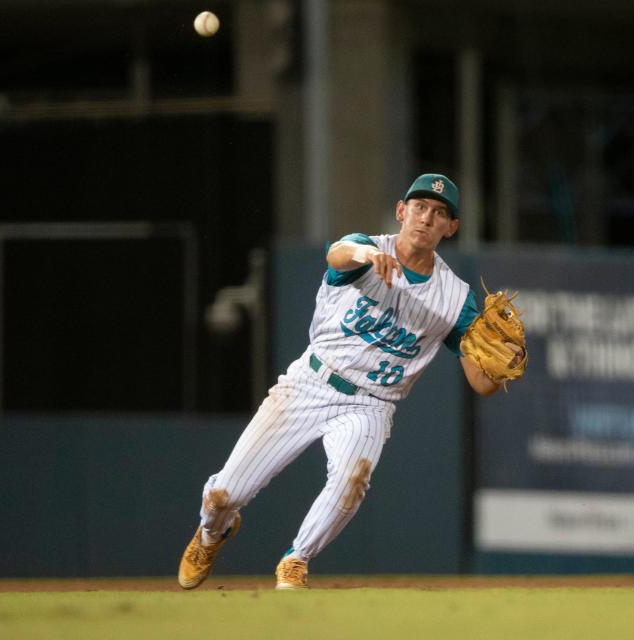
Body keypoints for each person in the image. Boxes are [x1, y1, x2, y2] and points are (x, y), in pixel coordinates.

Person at [177, 173, 523, 590]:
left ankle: (296, 559)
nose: (427, 218)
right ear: (401, 211)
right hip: (311, 382)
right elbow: (336, 254)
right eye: (419, 208)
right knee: (223, 497)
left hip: (371, 404)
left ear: (451, 228)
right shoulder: (365, 247)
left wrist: (508, 362)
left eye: (440, 213)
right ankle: (212, 533)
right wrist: (363, 253)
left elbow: (480, 384)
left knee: (351, 482)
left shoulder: (455, 298)